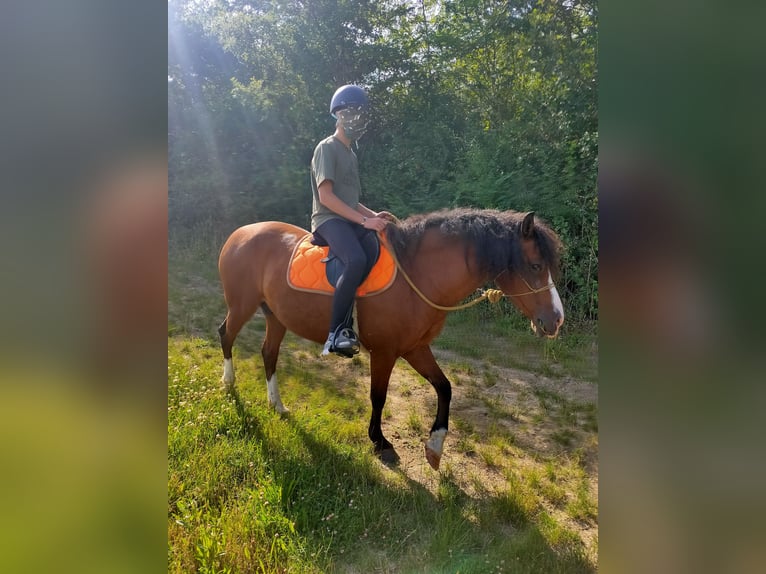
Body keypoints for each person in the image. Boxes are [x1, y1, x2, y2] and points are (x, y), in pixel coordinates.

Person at [310, 84, 393, 357]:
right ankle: (335, 333)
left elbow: (351, 200)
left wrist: (373, 216)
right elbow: (326, 197)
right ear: (339, 115)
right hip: (327, 219)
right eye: (353, 112)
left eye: (362, 114)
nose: (359, 119)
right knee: (356, 258)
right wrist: (362, 221)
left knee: (373, 246)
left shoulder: (351, 154)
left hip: (346, 218)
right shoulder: (327, 148)